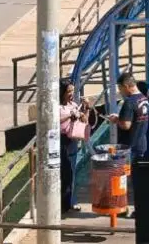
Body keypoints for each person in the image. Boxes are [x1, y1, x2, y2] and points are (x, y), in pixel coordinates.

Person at [59, 81, 90, 213]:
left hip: (72, 141)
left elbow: (85, 121)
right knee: (65, 173)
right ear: (62, 93)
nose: (71, 94)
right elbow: (55, 120)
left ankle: (69, 201)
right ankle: (64, 203)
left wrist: (86, 109)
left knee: (71, 172)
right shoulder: (58, 107)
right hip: (62, 141)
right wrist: (69, 116)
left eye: (72, 91)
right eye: (69, 91)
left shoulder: (74, 105)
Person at [106, 72, 149, 163]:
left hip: (128, 148)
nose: (120, 92)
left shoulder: (129, 102)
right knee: (137, 174)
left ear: (126, 86)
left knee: (124, 175)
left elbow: (126, 125)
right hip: (141, 144)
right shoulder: (144, 99)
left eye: (120, 88)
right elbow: (136, 117)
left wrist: (115, 120)